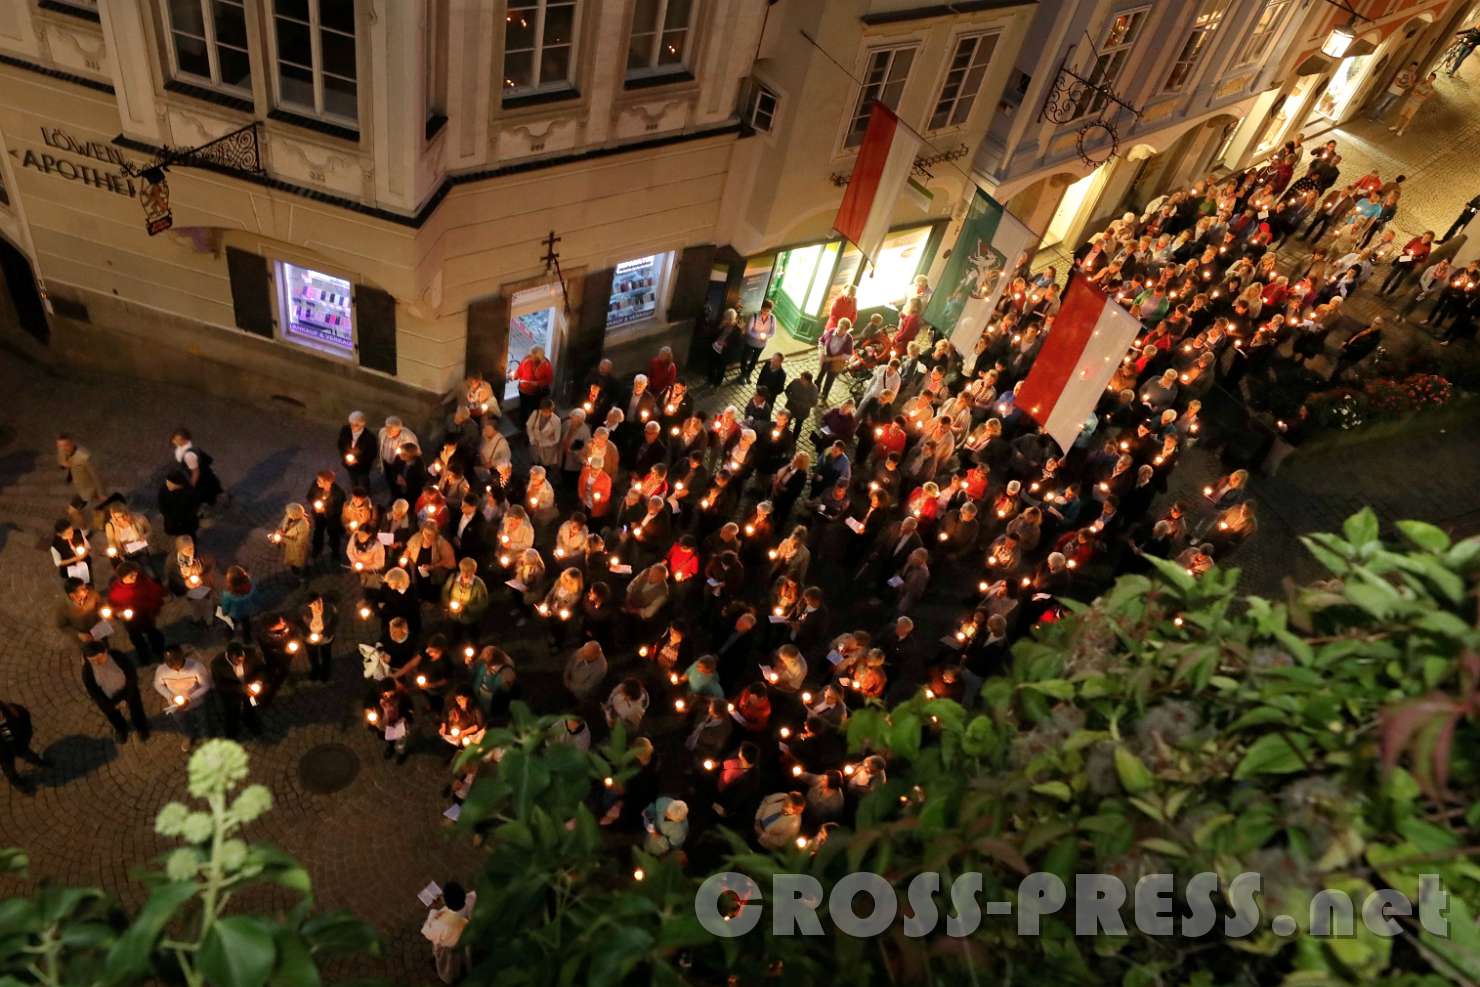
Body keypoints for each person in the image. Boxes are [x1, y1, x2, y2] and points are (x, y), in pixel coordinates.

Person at [81, 641, 151, 745]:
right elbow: (94, 692)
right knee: (113, 716)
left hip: (128, 690)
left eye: (100, 657)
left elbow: (131, 675)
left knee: (137, 710)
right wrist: (110, 704)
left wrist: (126, 698)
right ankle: (121, 729)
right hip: (108, 699)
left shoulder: (117, 656)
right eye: (93, 660)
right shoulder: (87, 670)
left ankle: (141, 727)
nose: (98, 662)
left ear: (105, 652)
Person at [153, 644, 211, 751]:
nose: (172, 664)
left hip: (196, 702)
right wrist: (169, 696)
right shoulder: (162, 670)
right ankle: (189, 735)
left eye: (175, 659)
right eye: (168, 661)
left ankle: (205, 737)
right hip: (175, 705)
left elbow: (206, 685)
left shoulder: (196, 667)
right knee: (182, 721)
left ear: (182, 656)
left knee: (202, 720)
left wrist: (191, 698)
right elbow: (157, 684)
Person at [423, 881, 476, 984]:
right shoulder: (472, 898)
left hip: (452, 947)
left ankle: (451, 976)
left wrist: (433, 910)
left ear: (446, 902)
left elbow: (427, 931)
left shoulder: (440, 922)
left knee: (450, 964)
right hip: (470, 940)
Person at [211, 642, 266, 740]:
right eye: (237, 661)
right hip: (231, 694)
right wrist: (240, 688)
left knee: (252, 706)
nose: (240, 662)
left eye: (242, 660)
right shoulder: (217, 663)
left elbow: (261, 669)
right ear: (229, 656)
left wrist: (258, 682)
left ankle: (250, 721)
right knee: (231, 713)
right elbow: (219, 684)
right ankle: (232, 732)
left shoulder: (251, 654)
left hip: (250, 692)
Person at [0, 700, 49, 795]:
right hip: (4, 753)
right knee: (9, 769)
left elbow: (23, 728)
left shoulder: (14, 712)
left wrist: (3, 725)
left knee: (28, 755)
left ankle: (39, 762)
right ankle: (18, 783)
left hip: (19, 746)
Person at [56, 434, 106, 508]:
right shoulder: (62, 450)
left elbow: (95, 476)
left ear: (72, 443)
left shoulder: (84, 457)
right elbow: (61, 461)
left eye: (66, 445)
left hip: (87, 488)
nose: (63, 448)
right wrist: (64, 464)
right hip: (78, 483)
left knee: (73, 511)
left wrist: (101, 493)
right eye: (60, 446)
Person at [513, 345, 554, 426]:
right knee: (523, 408)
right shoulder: (526, 359)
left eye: (533, 357)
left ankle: (532, 424)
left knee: (534, 409)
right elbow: (519, 371)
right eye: (530, 355)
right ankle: (522, 423)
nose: (531, 358)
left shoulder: (546, 364)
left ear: (539, 357)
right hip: (523, 390)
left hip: (536, 393)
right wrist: (515, 376)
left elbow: (549, 379)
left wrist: (538, 383)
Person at [739, 299, 776, 382]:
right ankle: (743, 372)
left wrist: (766, 336)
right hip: (750, 342)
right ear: (761, 308)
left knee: (754, 359)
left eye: (768, 310)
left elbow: (772, 332)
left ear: (771, 310)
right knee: (745, 357)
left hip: (761, 344)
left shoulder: (773, 318)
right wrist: (758, 336)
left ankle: (748, 373)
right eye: (764, 310)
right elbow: (749, 330)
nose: (765, 312)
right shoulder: (754, 316)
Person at [1390, 72, 1437, 137]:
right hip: (1410, 100)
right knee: (1402, 114)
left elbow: (1425, 98)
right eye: (1429, 77)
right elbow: (1413, 90)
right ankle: (1396, 126)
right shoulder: (1421, 83)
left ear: (1433, 79)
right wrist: (1417, 93)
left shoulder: (1431, 89)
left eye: (1431, 78)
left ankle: (1402, 130)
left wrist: (1418, 94)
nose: (1429, 78)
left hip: (1416, 104)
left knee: (1408, 118)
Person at [337, 411, 376, 489]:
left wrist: (357, 460)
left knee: (363, 482)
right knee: (353, 479)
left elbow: (372, 454)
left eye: (356, 425)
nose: (352, 427)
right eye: (351, 424)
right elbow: (340, 445)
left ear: (362, 424)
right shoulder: (345, 430)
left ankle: (365, 496)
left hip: (362, 467)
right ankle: (355, 493)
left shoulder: (369, 437)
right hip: (349, 464)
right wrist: (345, 457)